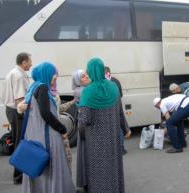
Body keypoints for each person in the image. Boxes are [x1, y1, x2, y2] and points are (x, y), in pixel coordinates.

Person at [21, 62, 75, 193]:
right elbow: (45, 113)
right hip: (47, 136)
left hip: (35, 134)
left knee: (39, 167)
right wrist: (62, 129)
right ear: (46, 73)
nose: (55, 76)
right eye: (53, 74)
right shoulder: (43, 87)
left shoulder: (33, 87)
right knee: (52, 166)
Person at [78, 58, 126, 193]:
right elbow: (120, 112)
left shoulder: (88, 91)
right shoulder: (113, 87)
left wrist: (81, 133)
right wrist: (125, 129)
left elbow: (85, 119)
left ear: (91, 71)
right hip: (113, 136)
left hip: (95, 139)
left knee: (99, 170)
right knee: (113, 166)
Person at [1, 52, 32, 184]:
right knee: (20, 141)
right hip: (17, 111)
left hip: (10, 110)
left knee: (17, 139)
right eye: (30, 61)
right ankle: (18, 176)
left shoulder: (12, 72)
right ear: (24, 62)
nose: (31, 64)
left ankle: (20, 173)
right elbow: (20, 100)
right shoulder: (19, 76)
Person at [105, 66, 131, 155]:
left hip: (106, 109)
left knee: (112, 129)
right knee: (119, 126)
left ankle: (115, 149)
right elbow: (120, 95)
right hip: (116, 107)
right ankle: (121, 148)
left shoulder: (102, 83)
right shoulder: (115, 81)